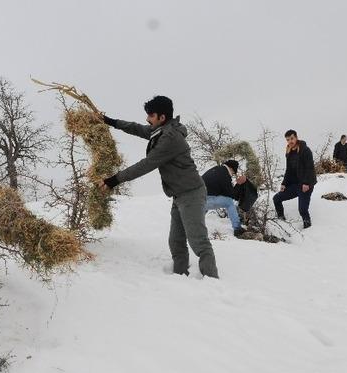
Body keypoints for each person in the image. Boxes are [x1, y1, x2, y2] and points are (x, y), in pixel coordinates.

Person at [99, 96, 218, 278]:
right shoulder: (161, 130)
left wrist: (113, 180)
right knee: (175, 242)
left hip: (191, 194)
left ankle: (212, 282)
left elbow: (146, 164)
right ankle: (180, 277)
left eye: (151, 116)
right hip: (179, 195)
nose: (147, 119)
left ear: (162, 117)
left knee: (198, 242)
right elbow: (137, 128)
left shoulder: (170, 138)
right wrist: (111, 122)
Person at [273, 129, 317, 229]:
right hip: (294, 185)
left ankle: (308, 226)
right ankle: (281, 219)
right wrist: (284, 183)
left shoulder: (305, 150)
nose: (290, 141)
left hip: (306, 185)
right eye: (288, 140)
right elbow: (289, 170)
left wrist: (306, 183)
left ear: (296, 137)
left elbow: (309, 168)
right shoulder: (289, 152)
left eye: (291, 138)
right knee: (276, 198)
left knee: (302, 209)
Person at [201, 159, 247, 237]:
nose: (232, 175)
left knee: (204, 205)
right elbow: (231, 195)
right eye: (233, 173)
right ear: (231, 169)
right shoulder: (224, 174)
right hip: (205, 200)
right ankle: (237, 228)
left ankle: (194, 225)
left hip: (198, 199)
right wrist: (238, 184)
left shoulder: (217, 169)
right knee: (229, 202)